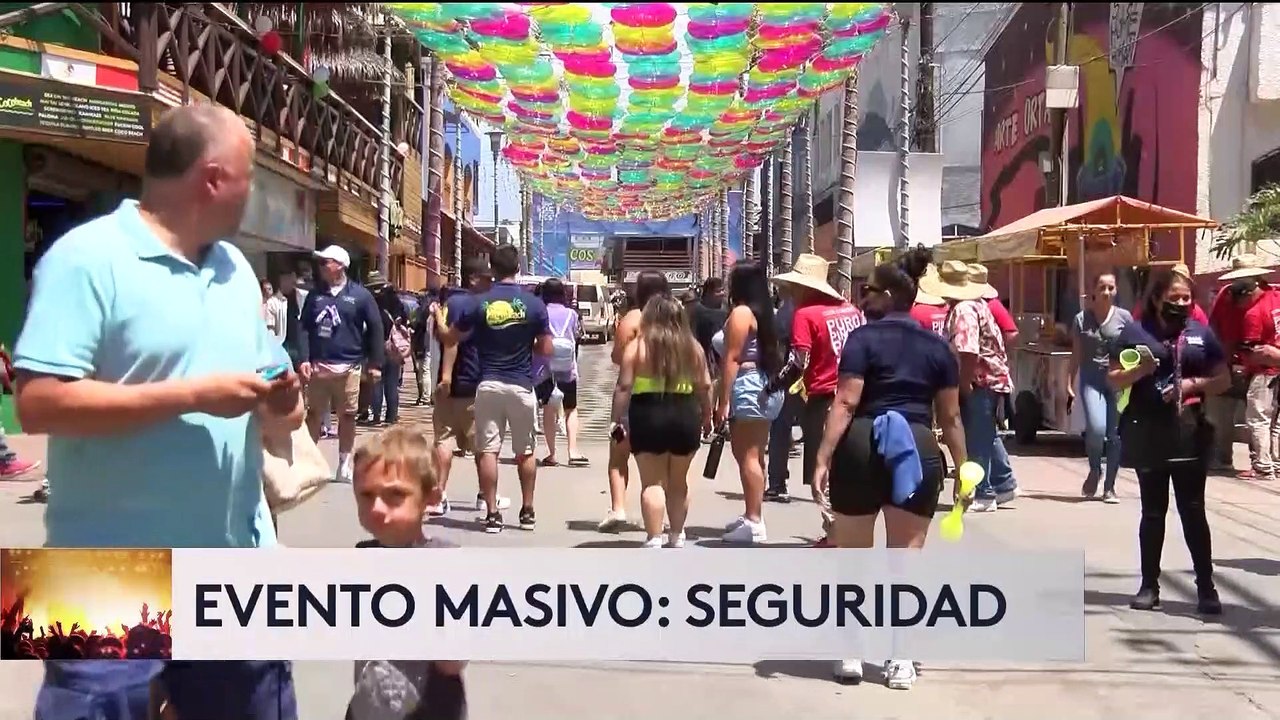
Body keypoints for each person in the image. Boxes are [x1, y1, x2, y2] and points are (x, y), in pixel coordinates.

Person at [13, 104, 300, 719]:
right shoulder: (86, 259)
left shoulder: (236, 271)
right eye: (250, 178)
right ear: (214, 178)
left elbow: (271, 389)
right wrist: (193, 396)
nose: (252, 195)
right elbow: (37, 403)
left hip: (235, 567)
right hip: (104, 566)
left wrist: (284, 399)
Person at [812, 247, 968, 689]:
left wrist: (823, 457)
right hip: (916, 448)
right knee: (906, 562)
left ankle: (850, 654)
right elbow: (951, 418)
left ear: (888, 296)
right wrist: (964, 467)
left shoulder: (863, 339)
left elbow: (845, 401)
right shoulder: (938, 347)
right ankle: (900, 659)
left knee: (854, 560)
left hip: (861, 442)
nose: (862, 299)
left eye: (869, 292)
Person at [1108, 269, 1227, 614]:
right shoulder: (1135, 332)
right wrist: (1139, 371)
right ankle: (1149, 586)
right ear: (1157, 298)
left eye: (1185, 298)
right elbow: (1113, 378)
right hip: (1148, 430)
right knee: (1153, 512)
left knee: (1193, 512)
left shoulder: (1200, 334)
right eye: (1173, 297)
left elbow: (1223, 378)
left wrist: (1192, 385)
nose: (1180, 303)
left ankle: (1206, 587)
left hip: (1189, 432)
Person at [348, 426, 467, 720]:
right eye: (366, 494)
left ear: (431, 497)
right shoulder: (363, 556)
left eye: (395, 495)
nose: (376, 508)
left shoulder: (445, 561)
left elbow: (453, 662)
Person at [449, 244, 552, 534]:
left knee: (488, 451)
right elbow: (546, 348)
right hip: (521, 385)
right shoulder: (533, 305)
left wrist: (439, 324)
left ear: (492, 269)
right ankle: (527, 510)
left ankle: (492, 513)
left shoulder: (479, 303)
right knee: (526, 452)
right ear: (518, 267)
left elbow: (452, 337)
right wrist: (528, 346)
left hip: (489, 383)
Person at [767, 254, 865, 546]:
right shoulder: (850, 311)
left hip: (825, 398)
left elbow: (799, 361)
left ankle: (835, 533)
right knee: (848, 467)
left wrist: (774, 385)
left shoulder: (805, 315)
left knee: (825, 468)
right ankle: (852, 529)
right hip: (859, 396)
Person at [612, 295, 713, 548]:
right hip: (685, 414)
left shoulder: (637, 346)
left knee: (651, 481)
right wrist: (708, 415)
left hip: (648, 414)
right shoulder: (692, 347)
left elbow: (624, 386)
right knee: (679, 481)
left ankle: (654, 536)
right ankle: (677, 535)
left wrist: (617, 420)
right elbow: (705, 385)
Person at [920, 260, 1018, 512]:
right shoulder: (974, 305)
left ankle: (983, 492)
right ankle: (1003, 483)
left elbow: (968, 352)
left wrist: (964, 384)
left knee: (976, 437)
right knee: (985, 434)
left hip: (980, 380)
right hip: (989, 379)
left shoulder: (963, 309)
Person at [299, 245, 385, 483]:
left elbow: (376, 329)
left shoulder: (360, 295)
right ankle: (309, 462)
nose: (321, 266)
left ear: (340, 266)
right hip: (319, 367)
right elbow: (304, 328)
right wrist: (304, 359)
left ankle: (344, 462)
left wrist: (375, 362)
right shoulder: (315, 296)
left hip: (349, 366)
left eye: (325, 262)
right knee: (314, 414)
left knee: (348, 415)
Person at [431, 257, 508, 518]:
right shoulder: (484, 305)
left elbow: (440, 340)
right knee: (483, 446)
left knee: (443, 441)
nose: (491, 282)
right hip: (476, 384)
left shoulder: (450, 304)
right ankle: (485, 498)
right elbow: (452, 343)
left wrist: (443, 379)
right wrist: (447, 376)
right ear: (474, 279)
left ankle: (439, 495)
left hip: (449, 388)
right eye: (487, 278)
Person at [715, 261, 784, 543]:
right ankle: (752, 513)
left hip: (748, 384)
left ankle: (755, 521)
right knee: (753, 454)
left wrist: (723, 401)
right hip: (763, 385)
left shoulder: (742, 313)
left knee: (748, 456)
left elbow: (732, 357)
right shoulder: (765, 313)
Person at [599, 270, 669, 532]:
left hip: (631, 395)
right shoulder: (673, 319)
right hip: (667, 394)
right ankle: (659, 510)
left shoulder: (633, 318)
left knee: (619, 455)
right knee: (659, 458)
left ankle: (618, 508)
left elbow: (618, 357)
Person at [1068, 272, 1132, 502]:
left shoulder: (1124, 318)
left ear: (1116, 291)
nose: (1106, 292)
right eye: (1102, 287)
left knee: (1114, 435)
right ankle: (1095, 468)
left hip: (1118, 381)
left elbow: (1134, 350)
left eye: (1111, 288)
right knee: (1096, 429)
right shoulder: (1081, 319)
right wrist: (1069, 382)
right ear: (1093, 291)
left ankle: (1110, 487)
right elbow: (1075, 353)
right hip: (1091, 380)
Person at [1219, 257, 1280, 480]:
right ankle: (1275, 462)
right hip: (1276, 369)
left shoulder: (1252, 314)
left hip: (1263, 372)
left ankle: (1263, 466)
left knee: (1258, 419)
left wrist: (1240, 365)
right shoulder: (1275, 297)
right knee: (1274, 421)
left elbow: (1252, 350)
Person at [535, 278, 588, 467]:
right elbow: (577, 336)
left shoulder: (540, 312)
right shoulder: (571, 315)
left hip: (543, 369)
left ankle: (552, 454)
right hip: (567, 368)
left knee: (549, 409)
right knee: (571, 408)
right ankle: (573, 451)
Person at [766, 289, 801, 503]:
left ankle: (778, 483)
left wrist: (776, 380)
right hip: (820, 381)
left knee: (780, 430)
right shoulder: (834, 310)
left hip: (792, 379)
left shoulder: (786, 313)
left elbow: (786, 354)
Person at [370, 279, 409, 427]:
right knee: (392, 384)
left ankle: (376, 415)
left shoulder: (376, 306)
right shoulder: (399, 306)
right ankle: (391, 416)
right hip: (394, 348)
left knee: (377, 383)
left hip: (378, 347)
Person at [262, 277, 286, 343]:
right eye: (265, 290)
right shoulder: (261, 304)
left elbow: (271, 326)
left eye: (269, 289)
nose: (267, 292)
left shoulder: (274, 303)